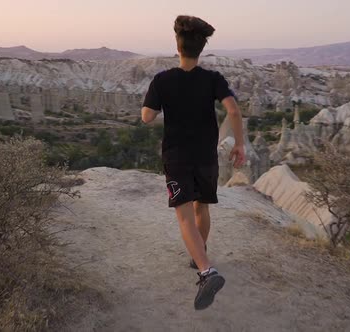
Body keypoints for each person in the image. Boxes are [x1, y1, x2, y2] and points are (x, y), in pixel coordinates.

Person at [141, 15, 245, 310]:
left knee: (184, 215)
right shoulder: (214, 79)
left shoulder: (162, 80)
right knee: (202, 207)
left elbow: (147, 117)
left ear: (178, 46)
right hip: (205, 156)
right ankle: (198, 254)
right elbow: (234, 112)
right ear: (201, 49)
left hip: (177, 157)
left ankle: (207, 271)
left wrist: (158, 105)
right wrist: (239, 145)